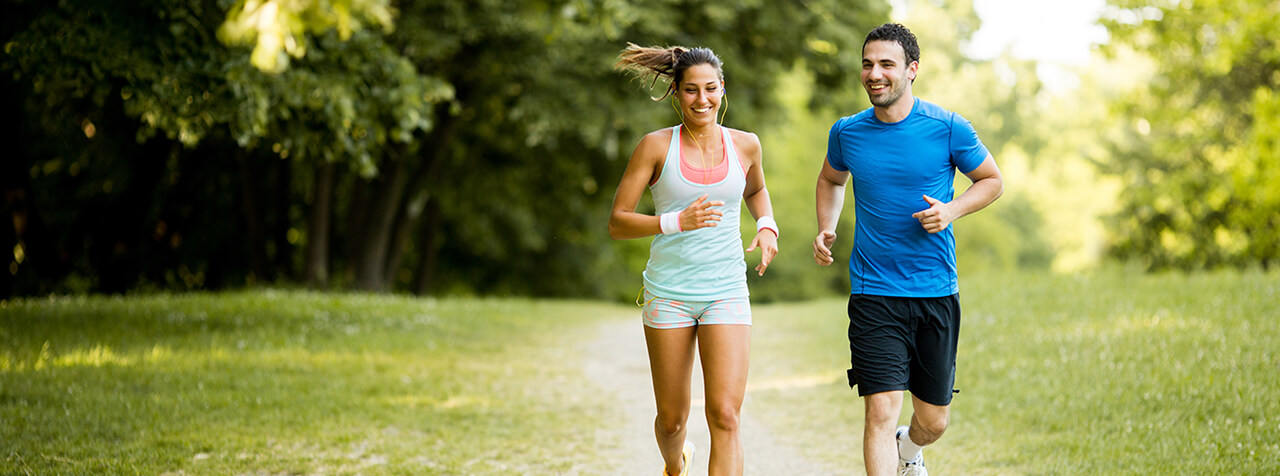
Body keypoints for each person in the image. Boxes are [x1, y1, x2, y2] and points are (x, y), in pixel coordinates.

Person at [812, 23, 1004, 476]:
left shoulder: (948, 127)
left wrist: (952, 211)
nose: (874, 74)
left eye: (885, 65)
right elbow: (830, 179)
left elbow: (992, 181)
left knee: (934, 420)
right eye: (867, 64)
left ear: (911, 70)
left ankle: (910, 448)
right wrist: (826, 227)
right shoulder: (847, 132)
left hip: (935, 290)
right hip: (874, 290)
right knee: (880, 411)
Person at [610, 43, 779, 476]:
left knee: (725, 415)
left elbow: (755, 191)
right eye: (690, 90)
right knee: (673, 420)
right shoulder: (654, 147)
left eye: (710, 89)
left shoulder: (746, 145)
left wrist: (766, 226)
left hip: (726, 291)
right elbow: (619, 222)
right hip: (669, 294)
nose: (701, 100)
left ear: (723, 89)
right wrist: (675, 222)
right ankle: (674, 462)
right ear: (676, 94)